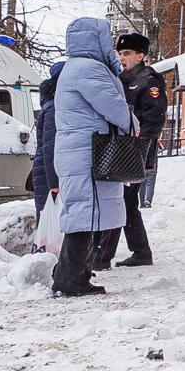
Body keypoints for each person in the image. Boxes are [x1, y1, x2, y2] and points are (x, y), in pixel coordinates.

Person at [50, 16, 134, 298]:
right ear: (96, 39)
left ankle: (70, 275)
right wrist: (134, 125)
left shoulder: (73, 68)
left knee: (83, 215)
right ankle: (71, 280)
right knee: (84, 216)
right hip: (88, 154)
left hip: (79, 151)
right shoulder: (89, 70)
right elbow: (114, 107)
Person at [93, 32, 166, 270]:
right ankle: (141, 251)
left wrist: (139, 147)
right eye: (120, 54)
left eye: (126, 54)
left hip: (134, 153)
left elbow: (154, 119)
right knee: (127, 202)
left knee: (120, 200)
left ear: (140, 55)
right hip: (118, 149)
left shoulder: (149, 81)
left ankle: (103, 256)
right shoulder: (120, 79)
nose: (122, 58)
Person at [29, 61, 63, 218]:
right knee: (49, 221)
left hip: (44, 171)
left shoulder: (50, 104)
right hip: (47, 173)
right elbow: (50, 146)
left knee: (48, 220)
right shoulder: (54, 108)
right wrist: (54, 182)